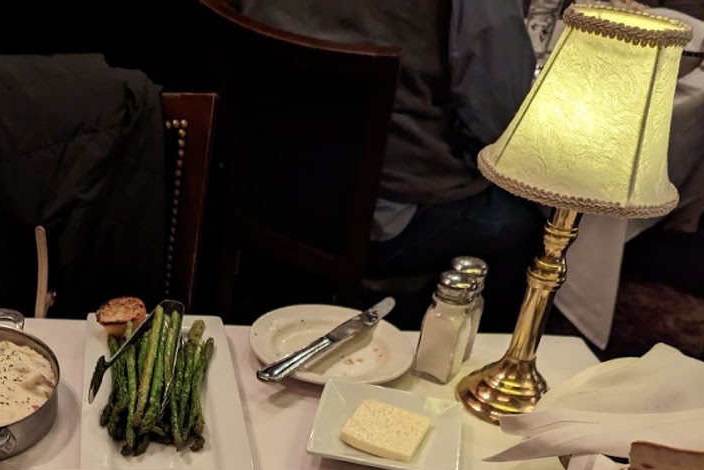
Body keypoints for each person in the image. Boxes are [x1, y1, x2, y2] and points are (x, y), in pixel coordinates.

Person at [229, 0, 544, 330]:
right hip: (381, 216)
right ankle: (471, 369)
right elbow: (505, 119)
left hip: (261, 187)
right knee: (524, 224)